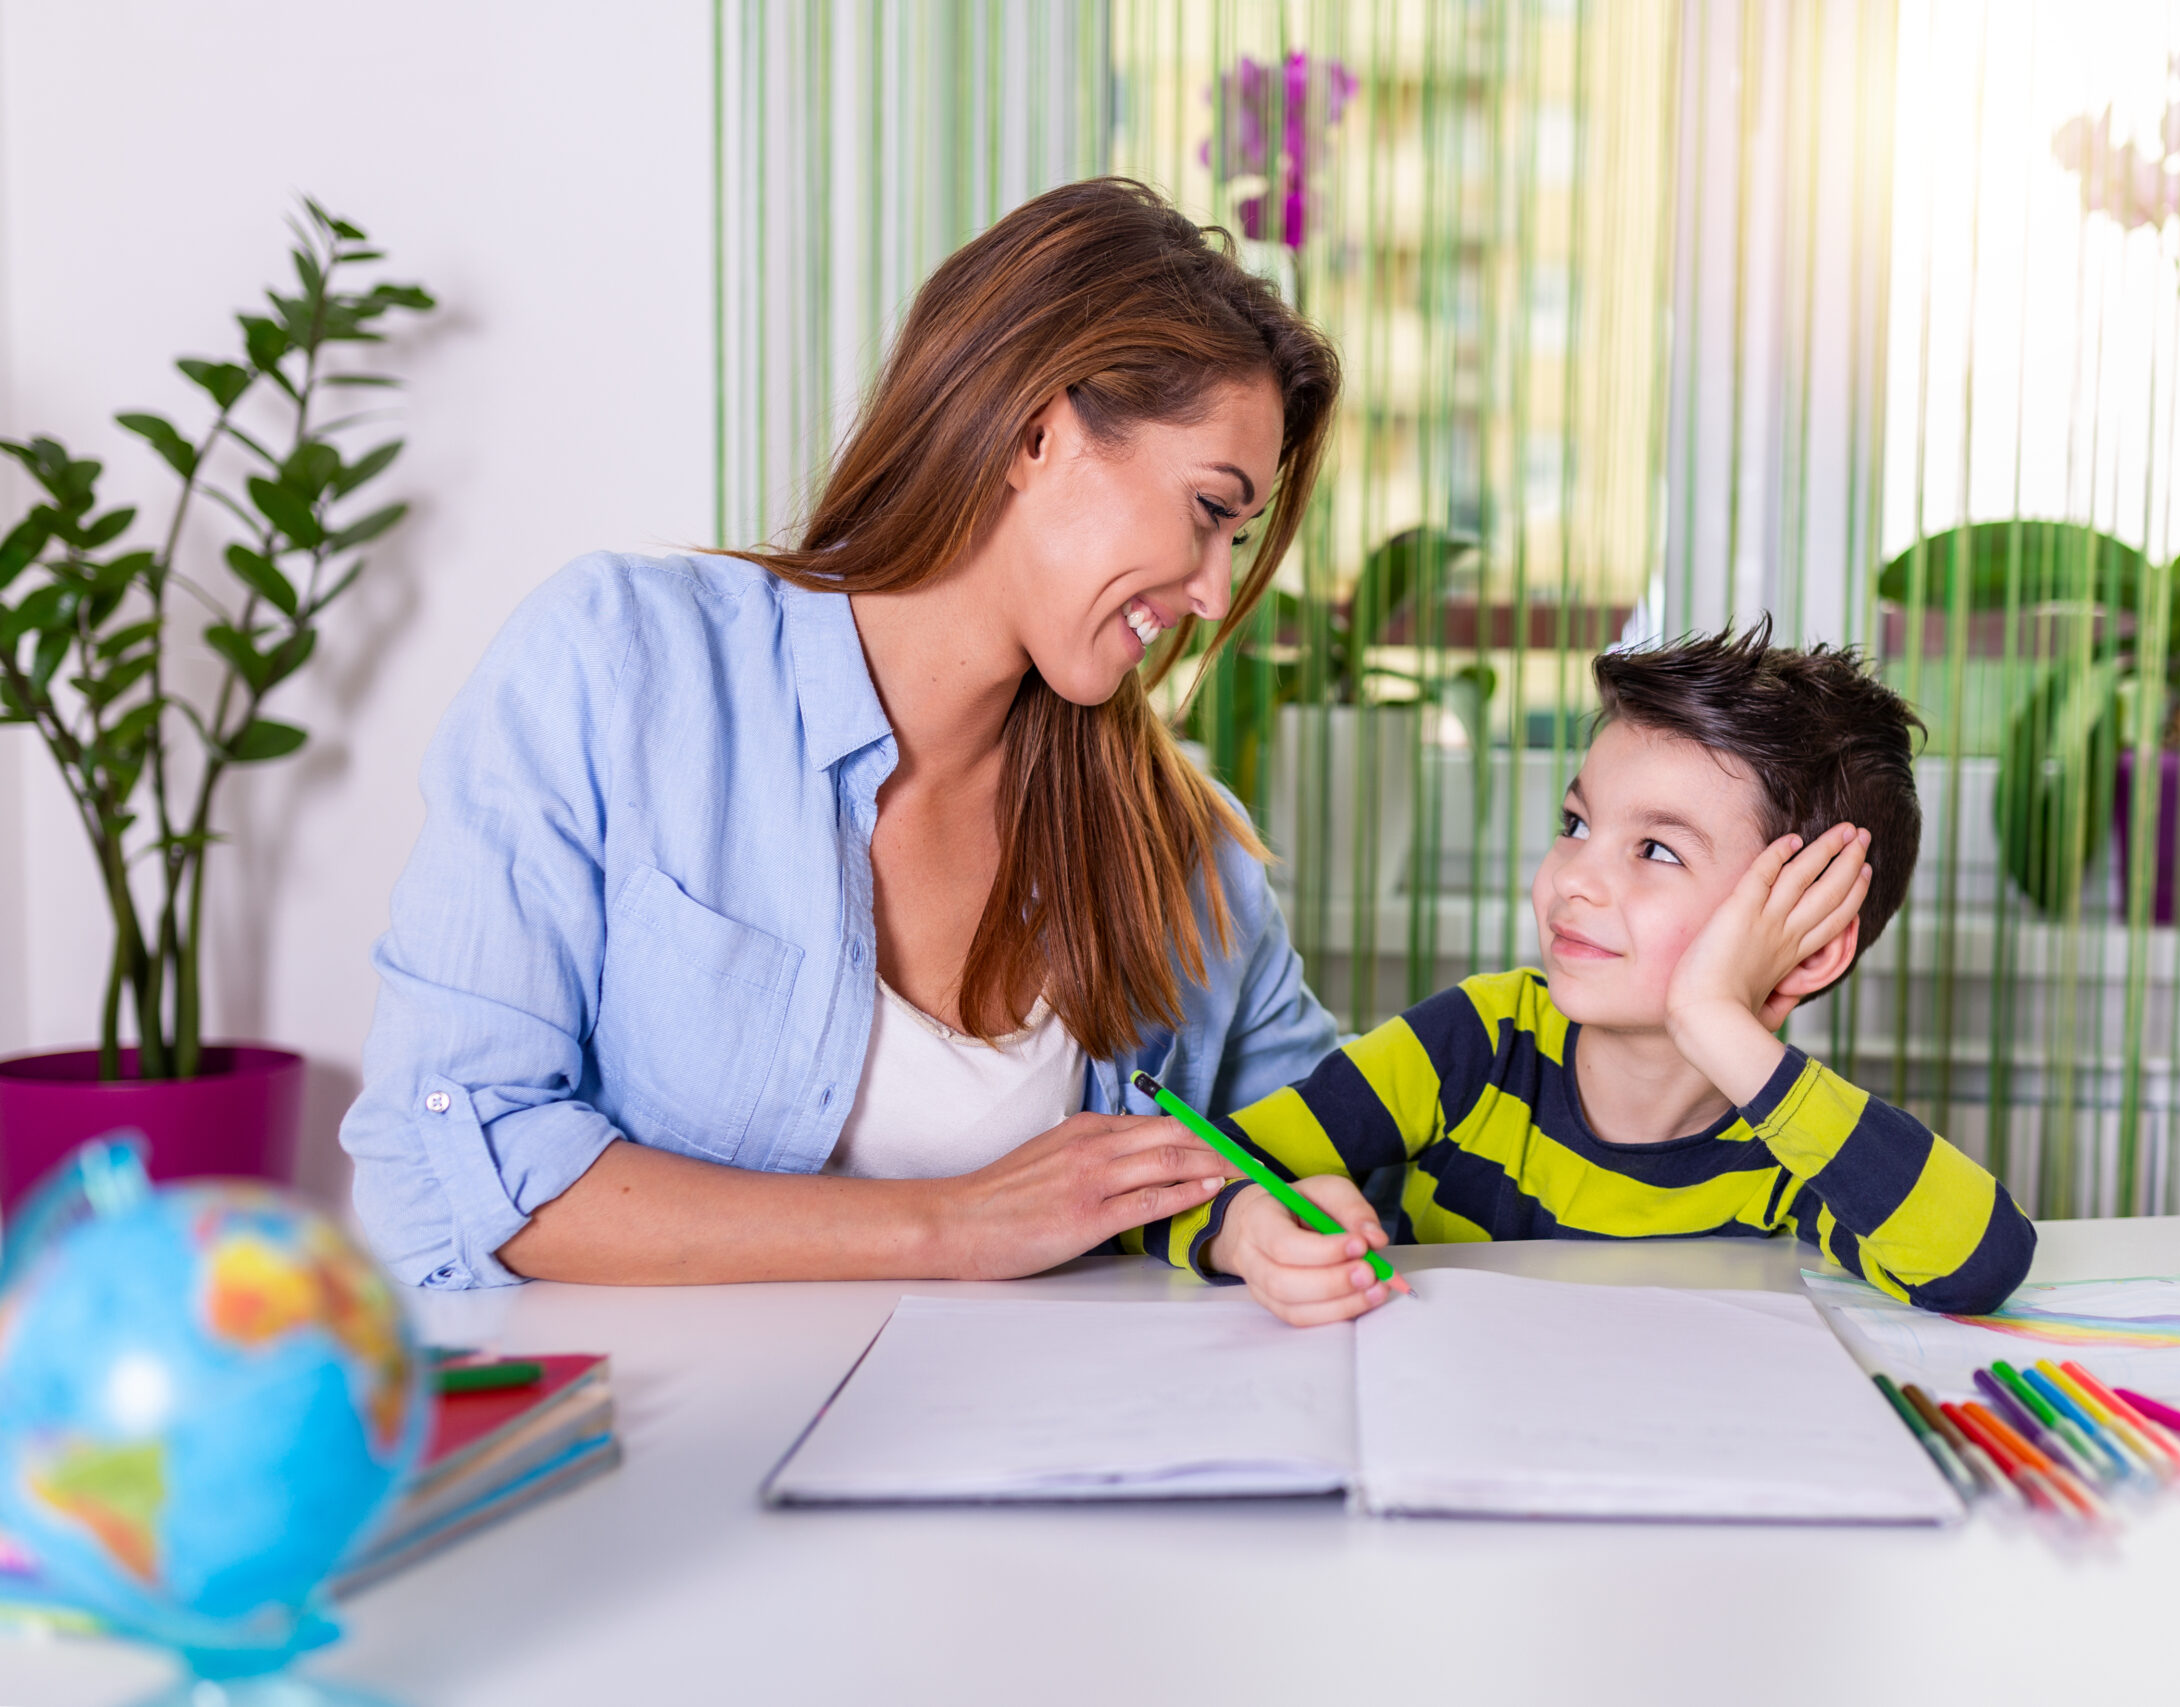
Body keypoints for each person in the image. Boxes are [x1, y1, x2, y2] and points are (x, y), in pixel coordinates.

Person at [341, 179, 1342, 1288]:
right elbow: (449, 1160)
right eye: (1210, 509)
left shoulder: (1183, 858)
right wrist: (950, 1228)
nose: (1212, 593)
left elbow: (1329, 1153)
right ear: (1035, 431)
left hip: (1047, 1450)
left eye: (1238, 543)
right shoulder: (622, 672)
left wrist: (1283, 1213)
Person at [1136, 623, 2037, 1323]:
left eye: (1655, 848)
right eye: (1575, 824)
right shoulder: (1471, 1045)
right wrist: (1242, 1229)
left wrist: (1717, 1020)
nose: (1577, 877)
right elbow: (1173, 1177)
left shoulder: (1794, 1139)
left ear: (1806, 945)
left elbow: (1978, 1262)